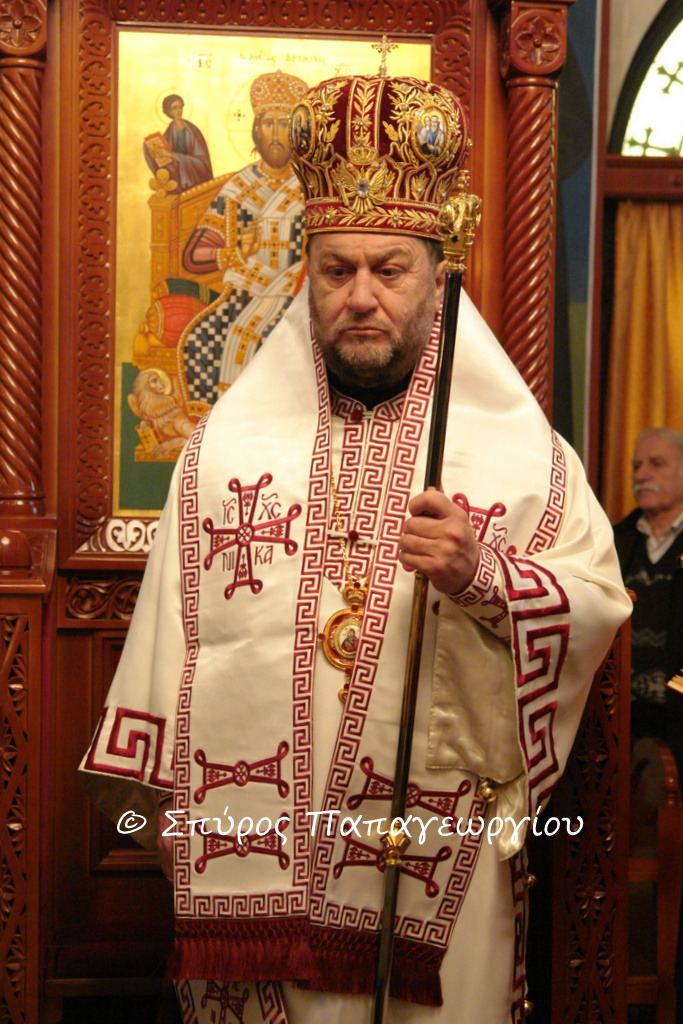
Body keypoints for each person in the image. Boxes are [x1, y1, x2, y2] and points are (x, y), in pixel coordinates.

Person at [81, 70, 631, 1024]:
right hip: (254, 855)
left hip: (441, 859)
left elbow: (596, 603)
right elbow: (170, 640)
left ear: (437, 278)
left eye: (390, 269)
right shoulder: (222, 452)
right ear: (308, 276)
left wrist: (484, 577)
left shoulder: (524, 458)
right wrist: (167, 810)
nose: (362, 297)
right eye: (336, 271)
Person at [178, 70, 308, 408]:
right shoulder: (239, 188)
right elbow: (193, 256)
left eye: (284, 124)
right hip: (243, 294)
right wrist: (235, 252)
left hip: (297, 298)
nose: (276, 134)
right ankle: (210, 430)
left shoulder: (313, 186)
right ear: (255, 130)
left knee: (275, 342)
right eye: (268, 124)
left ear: (297, 133)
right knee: (200, 340)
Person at [614, 427, 683, 773]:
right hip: (619, 724)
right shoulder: (614, 541)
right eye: (636, 466)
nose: (641, 475)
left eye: (656, 464)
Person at [144, 93, 213, 192]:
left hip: (194, 169)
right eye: (175, 108)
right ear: (169, 111)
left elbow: (202, 161)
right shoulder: (169, 131)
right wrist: (154, 153)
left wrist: (171, 155)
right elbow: (164, 156)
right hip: (178, 171)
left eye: (180, 107)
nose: (179, 110)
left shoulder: (192, 130)